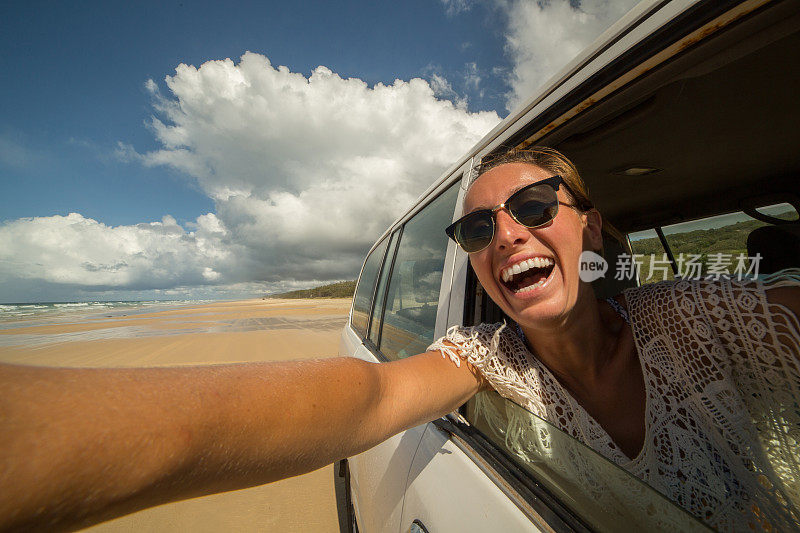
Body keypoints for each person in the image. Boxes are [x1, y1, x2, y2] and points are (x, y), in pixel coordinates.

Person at [1, 147, 798, 531]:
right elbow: (374, 392)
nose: (507, 234)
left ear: (587, 222)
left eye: (533, 205)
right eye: (478, 227)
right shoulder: (486, 360)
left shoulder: (706, 315)